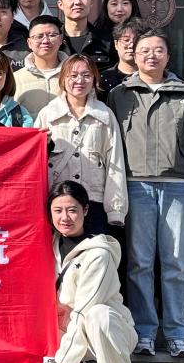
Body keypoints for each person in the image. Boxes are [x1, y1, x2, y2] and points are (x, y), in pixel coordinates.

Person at [107, 29, 184, 358]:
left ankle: (178, 334)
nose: (151, 56)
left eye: (158, 50)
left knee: (176, 262)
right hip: (135, 185)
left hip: (177, 186)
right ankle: (144, 333)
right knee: (139, 263)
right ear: (134, 56)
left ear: (168, 56)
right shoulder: (119, 95)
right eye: (144, 50)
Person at [43, 181, 139, 363]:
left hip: (106, 331)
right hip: (62, 330)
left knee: (98, 314)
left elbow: (84, 309)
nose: (65, 217)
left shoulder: (99, 254)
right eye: (58, 210)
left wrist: (66, 359)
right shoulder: (47, 244)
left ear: (85, 210)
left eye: (72, 210)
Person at [35, 55, 127, 235]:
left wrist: (115, 209)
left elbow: (115, 164)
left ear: (94, 79)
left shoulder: (105, 116)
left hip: (94, 201)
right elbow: (35, 163)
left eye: (86, 75)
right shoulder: (48, 115)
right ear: (63, 79)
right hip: (57, 203)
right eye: (73, 75)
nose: (80, 80)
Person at [13, 15, 68, 118]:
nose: (45, 41)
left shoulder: (73, 75)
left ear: (61, 39)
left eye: (52, 35)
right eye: (39, 36)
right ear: (29, 43)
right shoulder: (15, 79)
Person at [56, 0, 114, 69]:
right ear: (60, 4)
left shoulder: (107, 40)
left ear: (91, 3)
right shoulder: (53, 41)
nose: (78, 2)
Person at [99, 19, 143, 95]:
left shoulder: (151, 76)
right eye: (126, 40)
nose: (131, 45)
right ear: (116, 44)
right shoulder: (102, 79)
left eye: (136, 40)